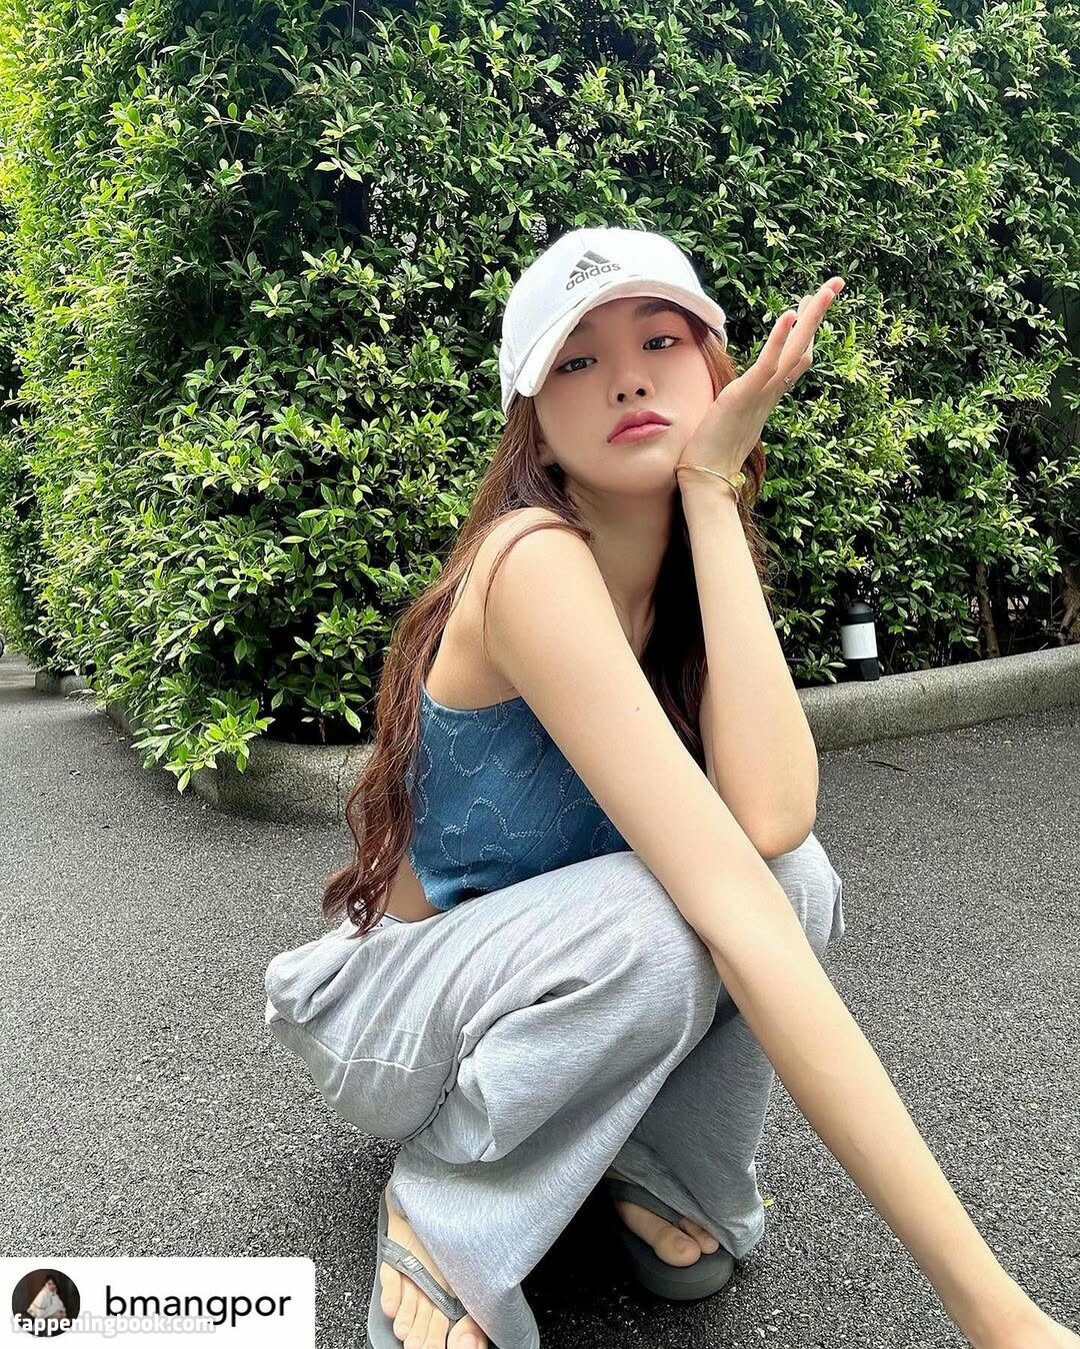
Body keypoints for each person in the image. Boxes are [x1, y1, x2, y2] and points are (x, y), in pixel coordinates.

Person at [263, 226, 1078, 1349]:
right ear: (532, 415)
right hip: (398, 1014)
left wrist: (708, 487)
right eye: (577, 359)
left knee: (791, 880)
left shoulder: (684, 579)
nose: (628, 377)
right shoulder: (533, 560)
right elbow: (725, 903)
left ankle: (658, 1163)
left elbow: (776, 825)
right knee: (675, 918)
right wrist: (992, 1309)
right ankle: (451, 1208)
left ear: (713, 365)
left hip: (540, 978)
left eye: (660, 340)